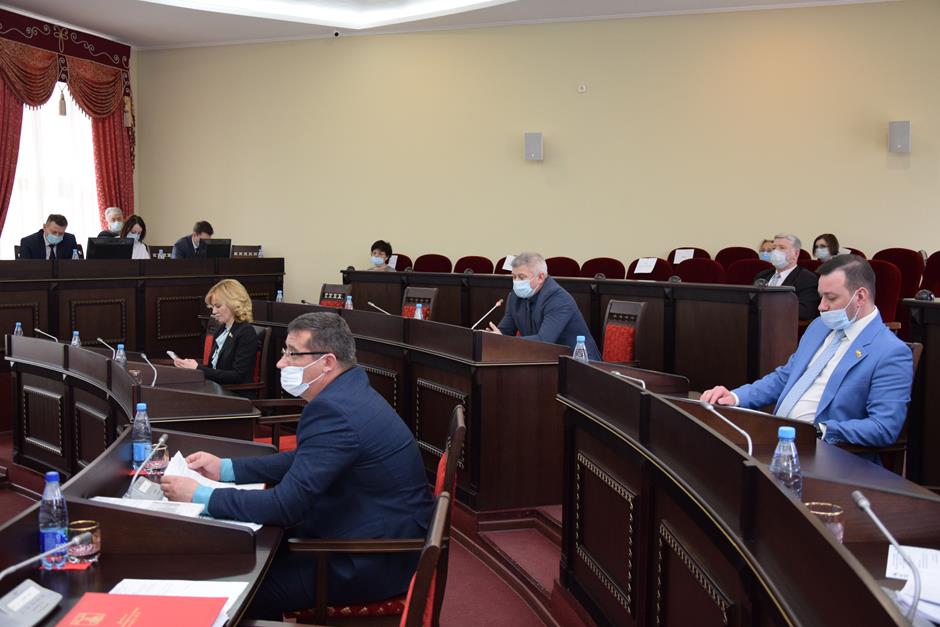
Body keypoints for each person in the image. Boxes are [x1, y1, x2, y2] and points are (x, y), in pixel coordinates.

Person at [160, 312, 433, 619]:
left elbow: (284, 506)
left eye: (292, 354)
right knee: (243, 553)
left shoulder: (335, 411)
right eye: (284, 352)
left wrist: (201, 496)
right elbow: (305, 459)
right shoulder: (349, 390)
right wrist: (226, 469)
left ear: (327, 362)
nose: (281, 363)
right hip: (371, 531)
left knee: (235, 588)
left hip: (366, 558)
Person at [701, 255, 913, 452]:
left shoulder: (890, 351)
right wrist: (736, 397)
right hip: (778, 440)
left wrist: (818, 431)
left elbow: (883, 427)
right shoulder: (819, 326)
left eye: (831, 298)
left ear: (860, 296)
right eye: (821, 297)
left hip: (826, 452)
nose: (822, 306)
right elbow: (785, 377)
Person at [486, 251, 601, 359]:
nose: (516, 282)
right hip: (545, 360)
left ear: (540, 277)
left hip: (580, 363)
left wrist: (505, 341)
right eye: (513, 277)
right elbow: (505, 331)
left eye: (521, 277)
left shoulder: (559, 299)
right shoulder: (515, 297)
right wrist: (492, 337)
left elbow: (544, 341)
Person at [172, 279, 258, 388]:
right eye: (212, 307)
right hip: (216, 388)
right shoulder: (221, 329)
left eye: (218, 306)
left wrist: (198, 368)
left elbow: (237, 376)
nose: (213, 312)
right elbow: (213, 368)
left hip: (234, 393)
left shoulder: (246, 332)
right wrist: (191, 366)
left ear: (234, 304)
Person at [754, 233, 820, 320]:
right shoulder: (762, 275)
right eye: (774, 248)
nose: (775, 252)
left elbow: (805, 312)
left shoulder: (808, 279)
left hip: (784, 325)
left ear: (796, 253)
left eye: (782, 248)